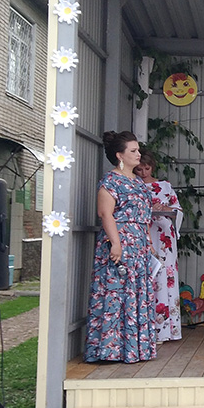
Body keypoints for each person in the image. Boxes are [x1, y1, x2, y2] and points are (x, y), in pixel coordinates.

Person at [85, 131, 157, 363]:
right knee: (116, 293)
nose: (138, 154)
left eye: (138, 150)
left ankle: (135, 348)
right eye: (133, 151)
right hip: (120, 241)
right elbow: (105, 213)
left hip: (139, 245)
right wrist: (116, 243)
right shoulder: (111, 181)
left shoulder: (138, 182)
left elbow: (144, 215)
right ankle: (111, 350)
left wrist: (148, 242)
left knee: (137, 294)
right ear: (120, 155)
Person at [135, 151, 183, 343]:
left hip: (164, 236)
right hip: (144, 233)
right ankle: (145, 330)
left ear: (152, 167)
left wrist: (165, 209)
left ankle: (165, 330)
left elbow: (177, 210)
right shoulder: (133, 185)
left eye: (147, 168)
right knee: (147, 276)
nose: (143, 173)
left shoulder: (165, 186)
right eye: (139, 169)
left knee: (165, 275)